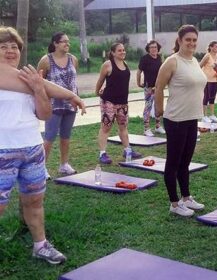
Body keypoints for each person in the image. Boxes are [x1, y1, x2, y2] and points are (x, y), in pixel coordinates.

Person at [0, 26, 84, 265]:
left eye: (14, 46)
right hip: (2, 150)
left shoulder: (29, 79)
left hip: (32, 149)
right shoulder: (20, 77)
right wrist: (68, 94)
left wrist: (39, 88)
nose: (10, 51)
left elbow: (45, 114)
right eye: (3, 46)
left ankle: (40, 245)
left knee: (34, 201)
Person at [155, 25, 206, 217]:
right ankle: (174, 204)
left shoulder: (194, 61)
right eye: (188, 40)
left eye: (194, 40)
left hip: (191, 118)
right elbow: (158, 87)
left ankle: (186, 197)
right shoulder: (171, 62)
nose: (191, 43)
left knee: (186, 162)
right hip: (175, 119)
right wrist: (158, 110)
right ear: (180, 40)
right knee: (174, 162)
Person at [37, 32, 79, 179]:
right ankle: (41, 168)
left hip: (70, 105)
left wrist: (75, 98)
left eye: (68, 41)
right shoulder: (46, 60)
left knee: (66, 136)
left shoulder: (73, 59)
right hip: (53, 105)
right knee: (49, 136)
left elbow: (74, 81)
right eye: (63, 42)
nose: (67, 44)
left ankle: (64, 165)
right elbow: (39, 83)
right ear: (55, 43)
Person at [96, 42, 141, 164]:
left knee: (123, 127)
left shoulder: (125, 64)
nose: (123, 52)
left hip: (122, 102)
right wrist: (97, 91)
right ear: (113, 53)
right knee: (106, 127)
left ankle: (127, 150)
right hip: (109, 101)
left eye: (123, 50)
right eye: (120, 50)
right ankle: (102, 154)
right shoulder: (108, 65)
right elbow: (100, 80)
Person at [137, 40, 165, 137]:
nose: (154, 49)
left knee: (158, 107)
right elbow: (139, 71)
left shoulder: (159, 58)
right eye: (152, 47)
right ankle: (146, 128)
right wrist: (138, 82)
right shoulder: (144, 59)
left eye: (155, 47)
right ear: (148, 49)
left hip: (158, 87)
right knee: (148, 107)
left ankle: (158, 126)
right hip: (148, 87)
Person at [199, 41, 217, 123]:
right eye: (216, 46)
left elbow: (216, 67)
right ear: (211, 47)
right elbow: (199, 66)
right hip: (207, 80)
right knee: (206, 97)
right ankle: (204, 116)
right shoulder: (207, 56)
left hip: (215, 79)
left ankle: (212, 115)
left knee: (213, 97)